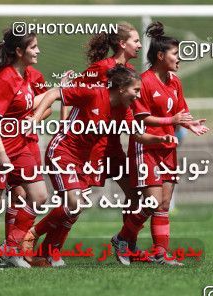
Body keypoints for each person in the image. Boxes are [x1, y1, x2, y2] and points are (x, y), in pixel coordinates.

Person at [24, 65, 176, 267]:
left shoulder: (124, 110)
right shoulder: (94, 93)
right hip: (63, 152)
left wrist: (159, 139)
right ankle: (32, 234)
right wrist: (35, 118)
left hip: (84, 160)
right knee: (74, 204)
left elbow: (138, 135)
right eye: (136, 90)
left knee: (75, 208)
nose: (138, 96)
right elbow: (53, 93)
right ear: (122, 88)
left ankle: (47, 253)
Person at [22, 22, 146, 256]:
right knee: (76, 203)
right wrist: (45, 118)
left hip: (113, 144)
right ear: (122, 43)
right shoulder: (100, 69)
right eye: (136, 41)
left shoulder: (129, 76)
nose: (140, 45)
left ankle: (126, 243)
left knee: (136, 195)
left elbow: (134, 122)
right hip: (92, 147)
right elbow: (69, 96)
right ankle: (47, 249)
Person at [111, 21, 209, 266]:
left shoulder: (175, 81)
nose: (179, 57)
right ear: (160, 55)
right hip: (146, 147)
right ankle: (123, 238)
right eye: (175, 53)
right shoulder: (142, 82)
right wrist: (172, 120)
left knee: (163, 204)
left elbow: (181, 111)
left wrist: (189, 123)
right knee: (151, 202)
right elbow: (142, 118)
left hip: (167, 148)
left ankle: (159, 252)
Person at [0, 28, 49, 268]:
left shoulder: (25, 76)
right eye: (33, 47)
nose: (38, 51)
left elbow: (32, 102)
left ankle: (9, 250)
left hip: (20, 147)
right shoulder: (4, 79)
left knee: (39, 197)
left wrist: (58, 93)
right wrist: (2, 154)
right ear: (19, 51)